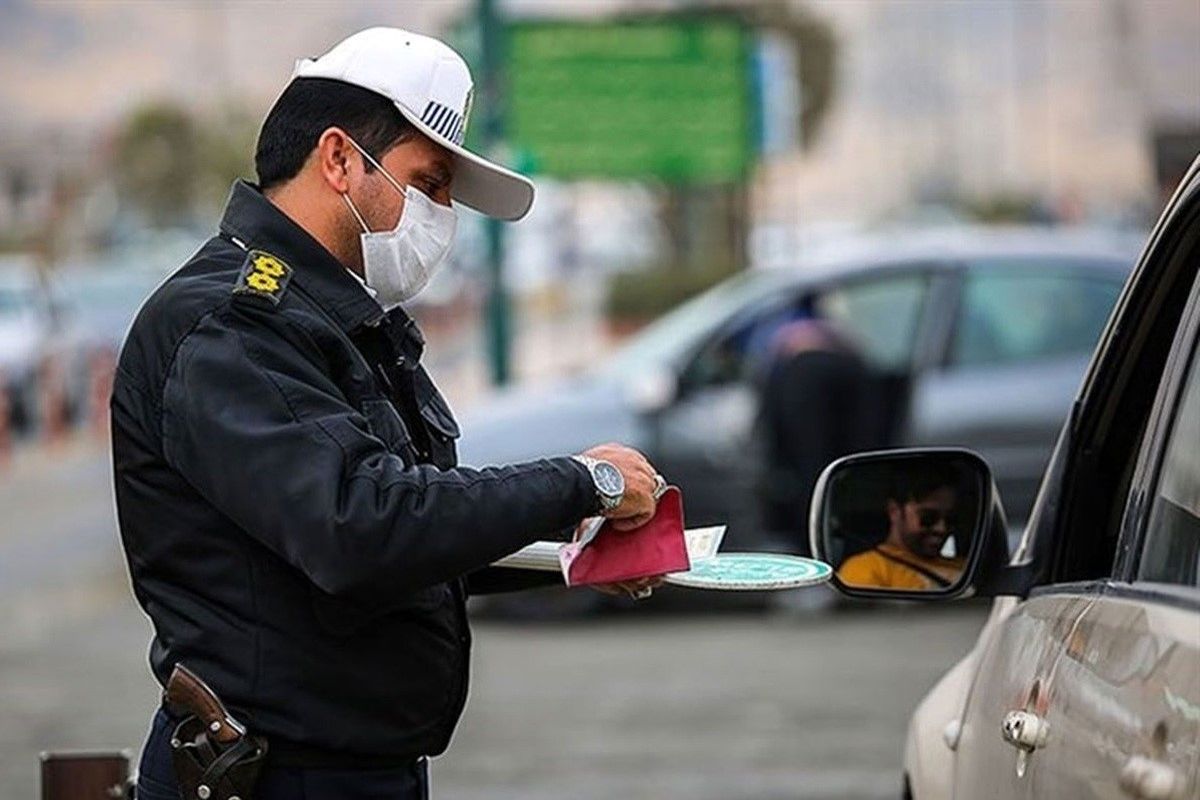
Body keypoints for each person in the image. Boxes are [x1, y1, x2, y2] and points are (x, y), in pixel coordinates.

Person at [112, 28, 667, 800]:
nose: (441, 214)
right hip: (273, 776)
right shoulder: (232, 326)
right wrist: (585, 481)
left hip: (354, 771)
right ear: (340, 159)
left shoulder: (336, 321)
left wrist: (568, 552)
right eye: (428, 183)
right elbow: (360, 527)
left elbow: (406, 538)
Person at [837, 468, 967, 590]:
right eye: (928, 517)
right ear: (894, 511)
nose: (942, 529)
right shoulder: (865, 569)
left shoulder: (967, 566)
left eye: (951, 519)